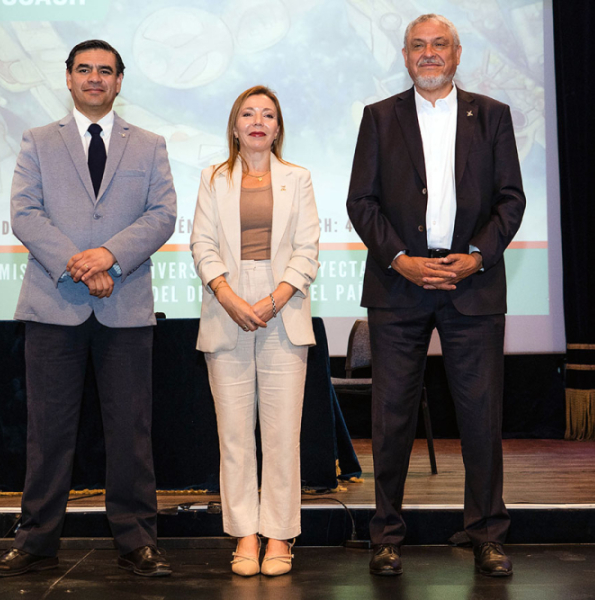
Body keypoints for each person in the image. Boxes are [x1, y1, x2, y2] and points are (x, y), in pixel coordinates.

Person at [0, 39, 177, 578]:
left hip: (125, 307)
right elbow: (24, 213)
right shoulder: (38, 140)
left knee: (131, 432)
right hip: (53, 306)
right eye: (84, 69)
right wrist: (81, 264)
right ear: (67, 78)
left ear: (119, 81)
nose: (94, 78)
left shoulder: (150, 145)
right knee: (47, 434)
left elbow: (162, 215)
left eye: (105, 71)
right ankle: (36, 542)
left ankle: (138, 541)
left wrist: (110, 256)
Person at [346, 14, 526, 577]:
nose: (428, 53)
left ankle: (487, 534)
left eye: (439, 44)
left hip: (472, 283)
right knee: (391, 417)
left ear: (457, 53)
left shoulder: (492, 115)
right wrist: (401, 259)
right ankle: (386, 536)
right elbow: (361, 202)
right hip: (399, 285)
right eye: (418, 46)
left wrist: (477, 256)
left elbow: (511, 199)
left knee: (481, 416)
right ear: (405, 56)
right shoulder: (380, 117)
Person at [190, 86, 320, 577]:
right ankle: (245, 533)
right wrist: (229, 297)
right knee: (234, 434)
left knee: (283, 434)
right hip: (226, 300)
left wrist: (272, 299)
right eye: (248, 113)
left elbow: (307, 249)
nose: (258, 121)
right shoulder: (213, 178)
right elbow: (202, 245)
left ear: (278, 127)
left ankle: (280, 535)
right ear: (235, 126)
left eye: (268, 114)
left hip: (283, 302)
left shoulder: (298, 178)